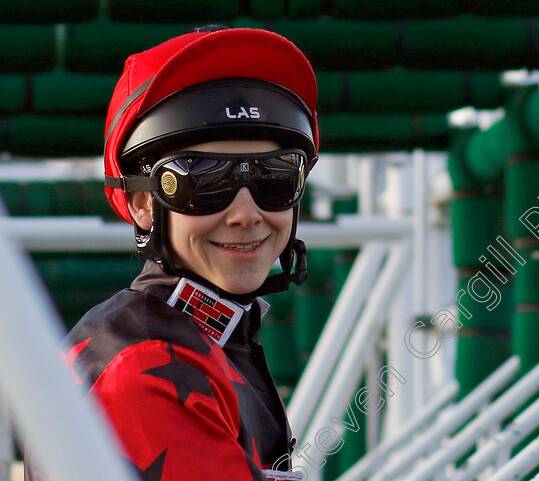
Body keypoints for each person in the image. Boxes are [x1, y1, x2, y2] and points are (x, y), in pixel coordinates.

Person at [25, 26, 319, 481]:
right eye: (206, 181)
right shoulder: (148, 362)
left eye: (274, 177)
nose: (246, 213)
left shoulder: (201, 339)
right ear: (143, 203)